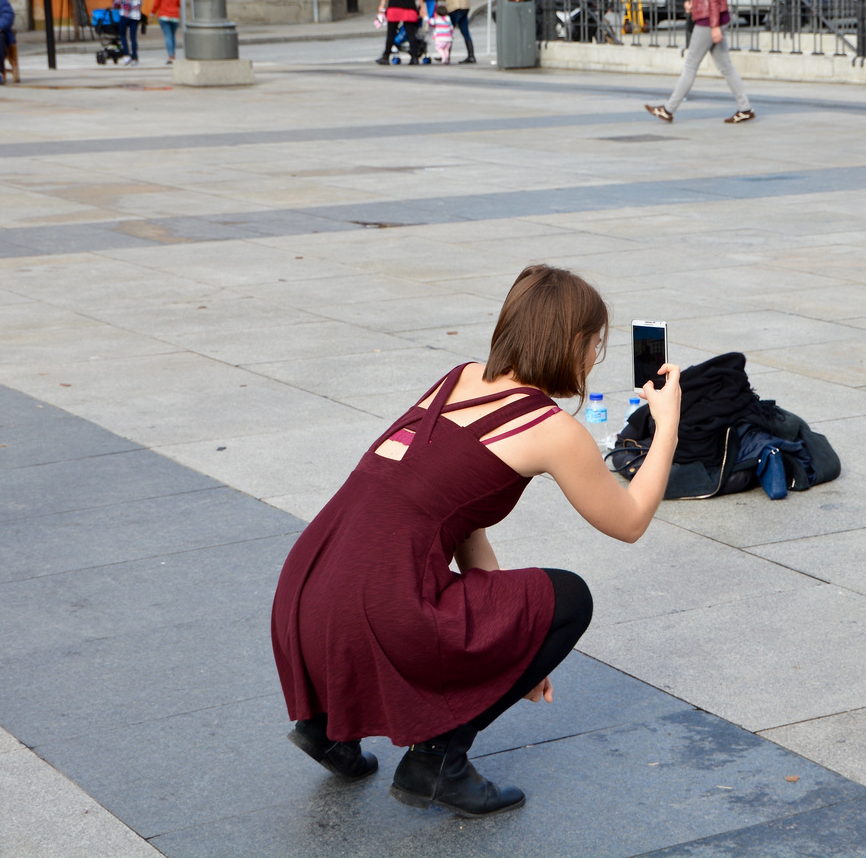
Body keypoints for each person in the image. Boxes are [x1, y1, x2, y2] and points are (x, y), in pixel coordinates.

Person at [271, 265, 682, 817]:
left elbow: (462, 518)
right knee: (570, 597)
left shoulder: (459, 378)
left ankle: (326, 726)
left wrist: (512, 646)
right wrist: (668, 424)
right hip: (377, 604)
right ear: (575, 343)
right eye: (595, 346)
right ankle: (436, 762)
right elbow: (629, 521)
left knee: (467, 596)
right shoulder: (550, 427)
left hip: (305, 590)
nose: (593, 361)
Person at [150, 0, 180, 64]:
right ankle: (173, 54)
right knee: (172, 36)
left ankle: (170, 56)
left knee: (167, 36)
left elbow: (156, 4)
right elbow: (179, 3)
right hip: (175, 16)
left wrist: (152, 14)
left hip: (164, 16)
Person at [113, 0, 142, 66]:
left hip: (125, 15)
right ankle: (134, 57)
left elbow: (117, 2)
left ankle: (126, 54)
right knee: (133, 37)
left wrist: (115, 6)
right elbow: (141, 2)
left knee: (122, 34)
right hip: (135, 16)